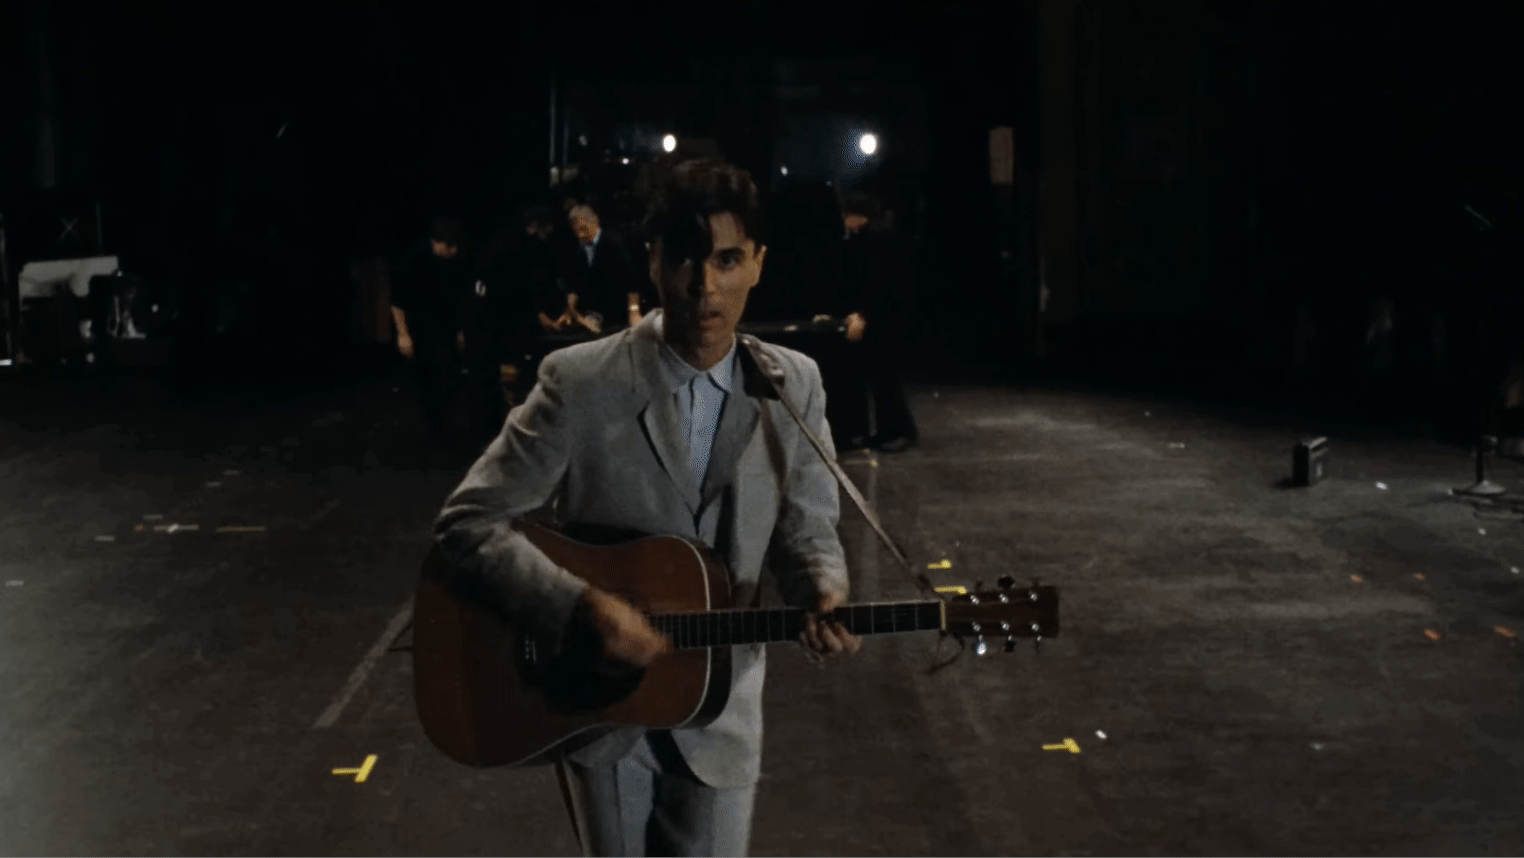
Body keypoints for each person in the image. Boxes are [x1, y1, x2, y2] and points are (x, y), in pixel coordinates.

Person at [433, 159, 861, 857]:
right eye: (685, 258)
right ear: (654, 260)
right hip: (598, 712)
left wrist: (823, 585)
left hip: (723, 704)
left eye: (727, 260)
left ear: (757, 262)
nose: (705, 285)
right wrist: (579, 608)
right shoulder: (580, 380)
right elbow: (467, 524)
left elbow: (807, 520)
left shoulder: (795, 384)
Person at [833, 193, 919, 453]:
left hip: (883, 318)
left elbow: (875, 280)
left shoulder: (871, 239)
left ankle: (897, 429)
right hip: (891, 315)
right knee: (884, 376)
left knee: (883, 376)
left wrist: (863, 312)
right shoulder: (881, 236)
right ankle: (889, 430)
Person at [391, 215, 470, 440]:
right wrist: (403, 334)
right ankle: (436, 428)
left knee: (451, 375)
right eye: (448, 246)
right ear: (436, 243)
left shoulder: (454, 263)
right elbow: (398, 302)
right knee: (429, 378)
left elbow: (457, 300)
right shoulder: (412, 262)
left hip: (446, 326)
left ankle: (446, 424)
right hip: (421, 328)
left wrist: (459, 330)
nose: (452, 251)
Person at [547, 203, 647, 335]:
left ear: (594, 222)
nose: (580, 235)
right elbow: (574, 284)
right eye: (576, 231)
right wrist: (569, 310)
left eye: (583, 229)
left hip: (617, 311)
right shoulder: (577, 250)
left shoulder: (613, 243)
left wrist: (634, 311)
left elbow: (631, 279)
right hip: (593, 315)